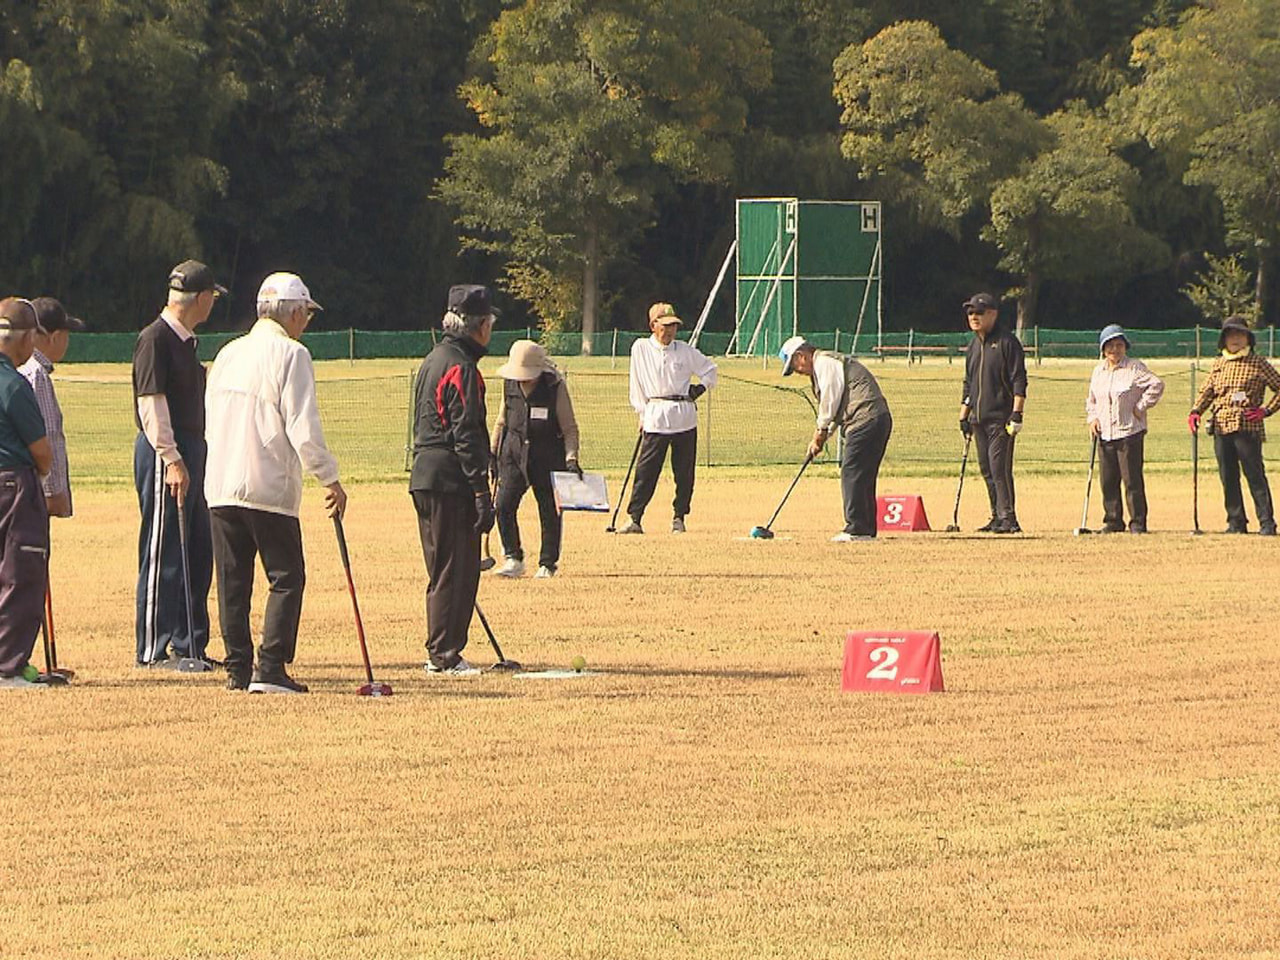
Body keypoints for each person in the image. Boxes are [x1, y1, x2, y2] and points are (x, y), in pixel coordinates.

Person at [204, 273, 347, 693]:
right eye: (307, 315)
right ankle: (270, 667)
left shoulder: (228, 352)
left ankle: (237, 669)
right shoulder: (293, 354)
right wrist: (330, 478)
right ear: (296, 312)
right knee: (286, 576)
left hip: (222, 482)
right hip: (267, 483)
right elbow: (303, 426)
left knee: (232, 581)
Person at [132, 259, 224, 667]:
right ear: (201, 298)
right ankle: (153, 648)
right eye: (212, 297)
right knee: (163, 548)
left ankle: (189, 643)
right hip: (164, 451)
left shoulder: (186, 341)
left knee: (196, 548)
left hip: (192, 447)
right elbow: (151, 403)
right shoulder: (156, 339)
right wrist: (171, 458)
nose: (214, 304)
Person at [409, 285, 496, 674]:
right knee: (456, 567)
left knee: (443, 564)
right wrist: (481, 491)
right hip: (449, 479)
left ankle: (442, 648)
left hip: (425, 474)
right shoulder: (461, 367)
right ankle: (444, 653)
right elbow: (465, 432)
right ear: (477, 326)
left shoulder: (433, 359)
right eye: (489, 323)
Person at [778, 336, 893, 541]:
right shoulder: (822, 366)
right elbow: (836, 410)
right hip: (876, 418)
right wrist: (821, 439)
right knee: (863, 475)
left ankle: (856, 528)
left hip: (865, 418)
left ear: (801, 356)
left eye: (794, 365)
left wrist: (819, 433)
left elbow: (830, 401)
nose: (797, 371)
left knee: (852, 471)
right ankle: (866, 528)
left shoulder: (824, 362)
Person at [619, 302, 718, 534]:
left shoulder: (684, 350)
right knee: (646, 471)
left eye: (673, 325)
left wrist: (699, 389)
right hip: (656, 417)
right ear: (653, 326)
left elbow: (710, 370)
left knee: (684, 472)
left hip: (684, 417)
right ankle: (635, 517)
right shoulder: (640, 348)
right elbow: (637, 384)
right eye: (665, 326)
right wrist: (641, 413)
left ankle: (679, 516)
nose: (670, 330)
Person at [491, 339, 582, 578]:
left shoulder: (555, 386)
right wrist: (492, 453)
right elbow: (501, 421)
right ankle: (513, 557)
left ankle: (547, 563)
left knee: (549, 511)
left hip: (547, 456)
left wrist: (571, 459)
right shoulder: (509, 385)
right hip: (512, 454)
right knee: (503, 505)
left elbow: (570, 428)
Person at [0, 298, 53, 688]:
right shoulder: (13, 385)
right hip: (13, 485)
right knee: (20, 571)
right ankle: (9, 664)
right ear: (21, 338)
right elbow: (42, 452)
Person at [1188, 316, 1280, 535]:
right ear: (1224, 339)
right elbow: (1207, 391)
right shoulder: (1219, 364)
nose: (1235, 339)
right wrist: (1195, 411)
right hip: (1221, 426)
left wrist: (1266, 410)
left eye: (1240, 334)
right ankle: (1236, 521)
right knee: (1228, 476)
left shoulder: (1258, 363)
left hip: (1247, 426)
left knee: (1254, 475)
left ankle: (1267, 522)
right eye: (1231, 335)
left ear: (1248, 338)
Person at [958, 292, 1028, 533]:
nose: (974, 317)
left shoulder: (1007, 342)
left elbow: (1019, 379)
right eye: (970, 313)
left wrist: (1017, 413)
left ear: (993, 314)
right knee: (986, 468)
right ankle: (996, 515)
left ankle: (1009, 517)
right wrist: (963, 415)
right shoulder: (973, 346)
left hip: (1001, 418)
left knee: (999, 467)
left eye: (979, 312)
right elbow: (969, 383)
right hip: (978, 418)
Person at [1085, 324, 1164, 533]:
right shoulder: (1098, 371)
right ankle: (1112, 521)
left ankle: (1137, 522)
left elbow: (1156, 385)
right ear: (1103, 349)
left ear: (1125, 347)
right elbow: (1091, 399)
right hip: (1104, 434)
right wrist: (1092, 418)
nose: (1115, 350)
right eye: (1110, 346)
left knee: (1131, 480)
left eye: (1119, 345)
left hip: (1129, 432)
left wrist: (1141, 406)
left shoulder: (1134, 367)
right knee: (1108, 481)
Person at [19, 298, 85, 521]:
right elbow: (47, 437)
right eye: (66, 334)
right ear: (54, 337)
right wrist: (55, 493)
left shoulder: (14, 367)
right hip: (32, 492)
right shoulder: (37, 374)